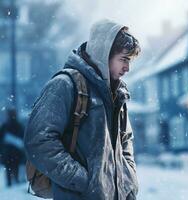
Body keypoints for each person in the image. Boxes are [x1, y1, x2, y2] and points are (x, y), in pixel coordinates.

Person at [24, 19, 141, 200]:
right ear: (104, 53)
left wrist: (128, 179)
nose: (127, 68)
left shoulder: (117, 94)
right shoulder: (64, 85)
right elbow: (39, 141)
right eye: (124, 59)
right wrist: (84, 181)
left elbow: (126, 140)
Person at [0, 108, 24, 187]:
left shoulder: (5, 126)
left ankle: (11, 184)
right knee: (15, 169)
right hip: (15, 153)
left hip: (8, 154)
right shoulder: (19, 125)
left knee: (9, 171)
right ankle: (15, 183)